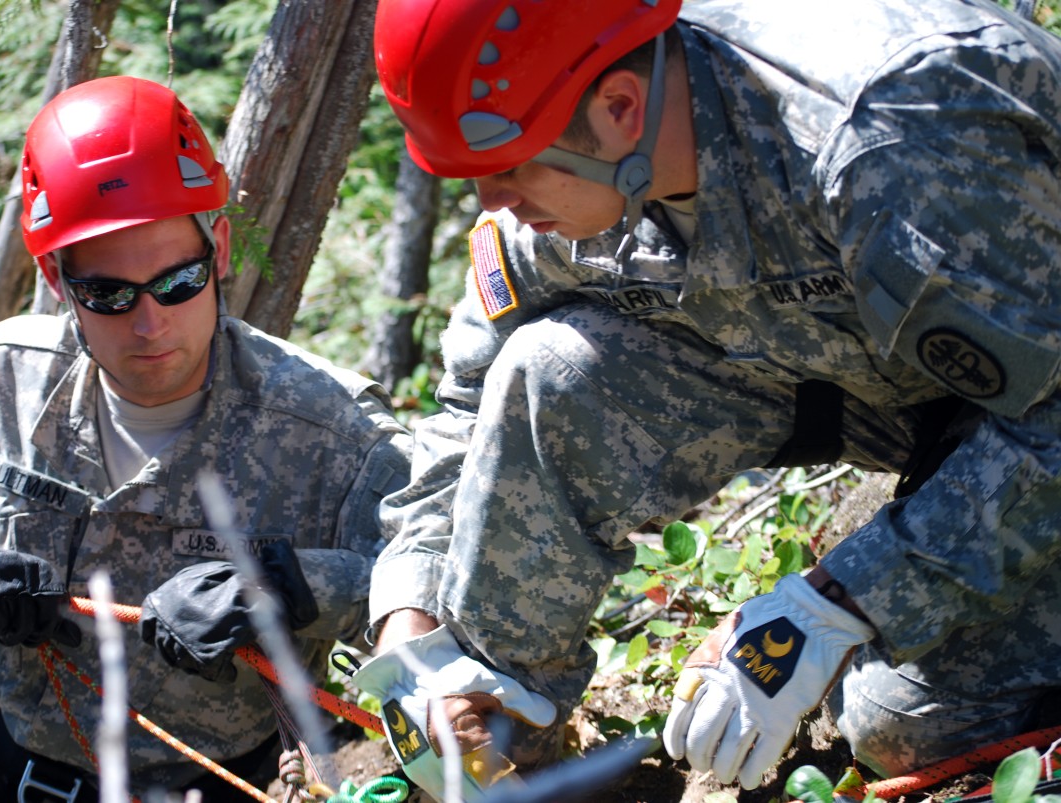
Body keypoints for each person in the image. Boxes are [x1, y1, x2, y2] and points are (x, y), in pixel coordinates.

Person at [355, 0, 1061, 797]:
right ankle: (499, 729)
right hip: (901, 394)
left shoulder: (892, 138)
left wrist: (835, 601)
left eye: (508, 167)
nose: (492, 204)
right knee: (546, 365)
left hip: (1039, 412)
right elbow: (469, 391)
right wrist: (409, 624)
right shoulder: (568, 170)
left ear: (620, 107)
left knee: (898, 725)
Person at [0, 75, 411, 801]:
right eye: (111, 295)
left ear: (217, 248)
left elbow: (441, 578)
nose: (151, 324)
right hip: (7, 778)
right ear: (57, 280)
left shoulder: (328, 427)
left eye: (178, 282)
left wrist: (291, 586)